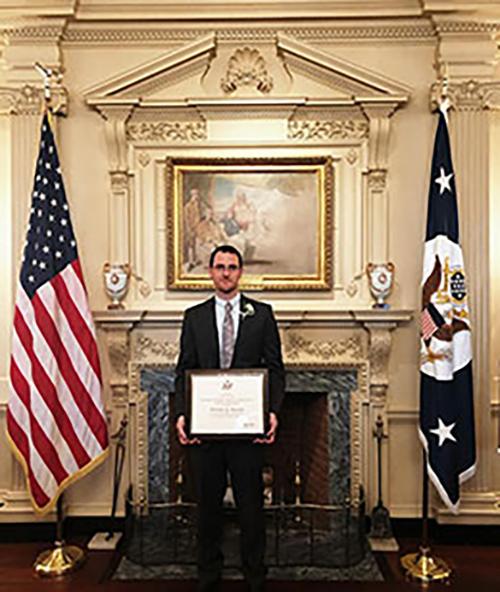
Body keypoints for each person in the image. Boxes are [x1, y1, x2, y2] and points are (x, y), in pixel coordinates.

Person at [175, 244, 285, 592]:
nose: (226, 272)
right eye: (220, 266)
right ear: (210, 271)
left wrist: (272, 413)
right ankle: (208, 573)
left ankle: (255, 574)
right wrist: (182, 415)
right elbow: (184, 370)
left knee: (250, 507)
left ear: (240, 272)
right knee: (207, 507)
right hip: (204, 431)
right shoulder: (194, 316)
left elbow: (276, 369)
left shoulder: (263, 314)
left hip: (247, 430)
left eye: (232, 267)